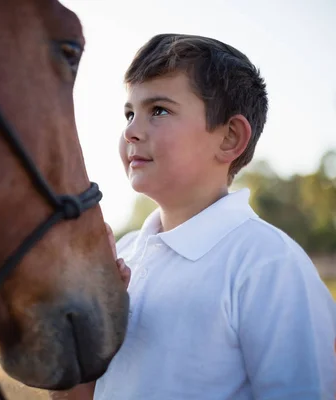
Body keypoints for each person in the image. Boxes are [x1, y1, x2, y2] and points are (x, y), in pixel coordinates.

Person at [51, 33, 336, 400]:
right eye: (129, 113)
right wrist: (88, 327)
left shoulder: (268, 264)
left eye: (159, 110)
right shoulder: (122, 255)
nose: (132, 131)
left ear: (230, 138)